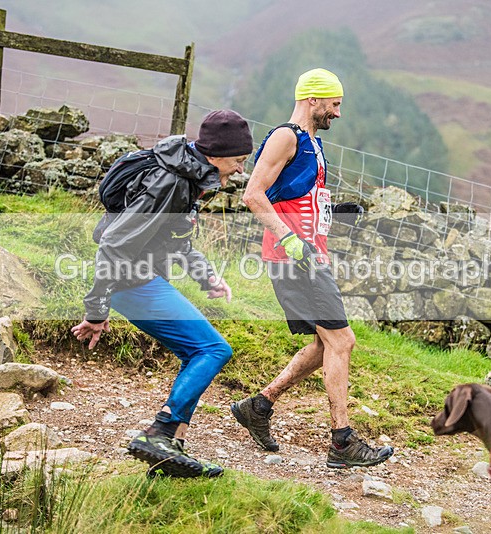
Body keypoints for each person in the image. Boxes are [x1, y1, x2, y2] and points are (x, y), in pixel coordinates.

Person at [71, 110, 253, 478]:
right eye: (238, 161)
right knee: (212, 349)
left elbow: (178, 243)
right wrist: (96, 310)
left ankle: (171, 452)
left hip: (143, 278)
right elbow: (113, 244)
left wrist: (208, 278)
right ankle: (161, 433)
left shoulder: (187, 176)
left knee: (196, 352)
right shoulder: (170, 182)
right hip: (131, 282)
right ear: (216, 155)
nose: (239, 170)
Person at [232, 68, 393, 469]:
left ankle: (259, 405)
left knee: (326, 344)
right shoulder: (286, 136)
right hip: (293, 259)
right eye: (334, 104)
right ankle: (341, 442)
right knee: (342, 342)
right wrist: (289, 239)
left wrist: (333, 211)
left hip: (308, 255)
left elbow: (292, 197)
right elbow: (254, 194)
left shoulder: (312, 143)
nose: (338, 113)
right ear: (313, 100)